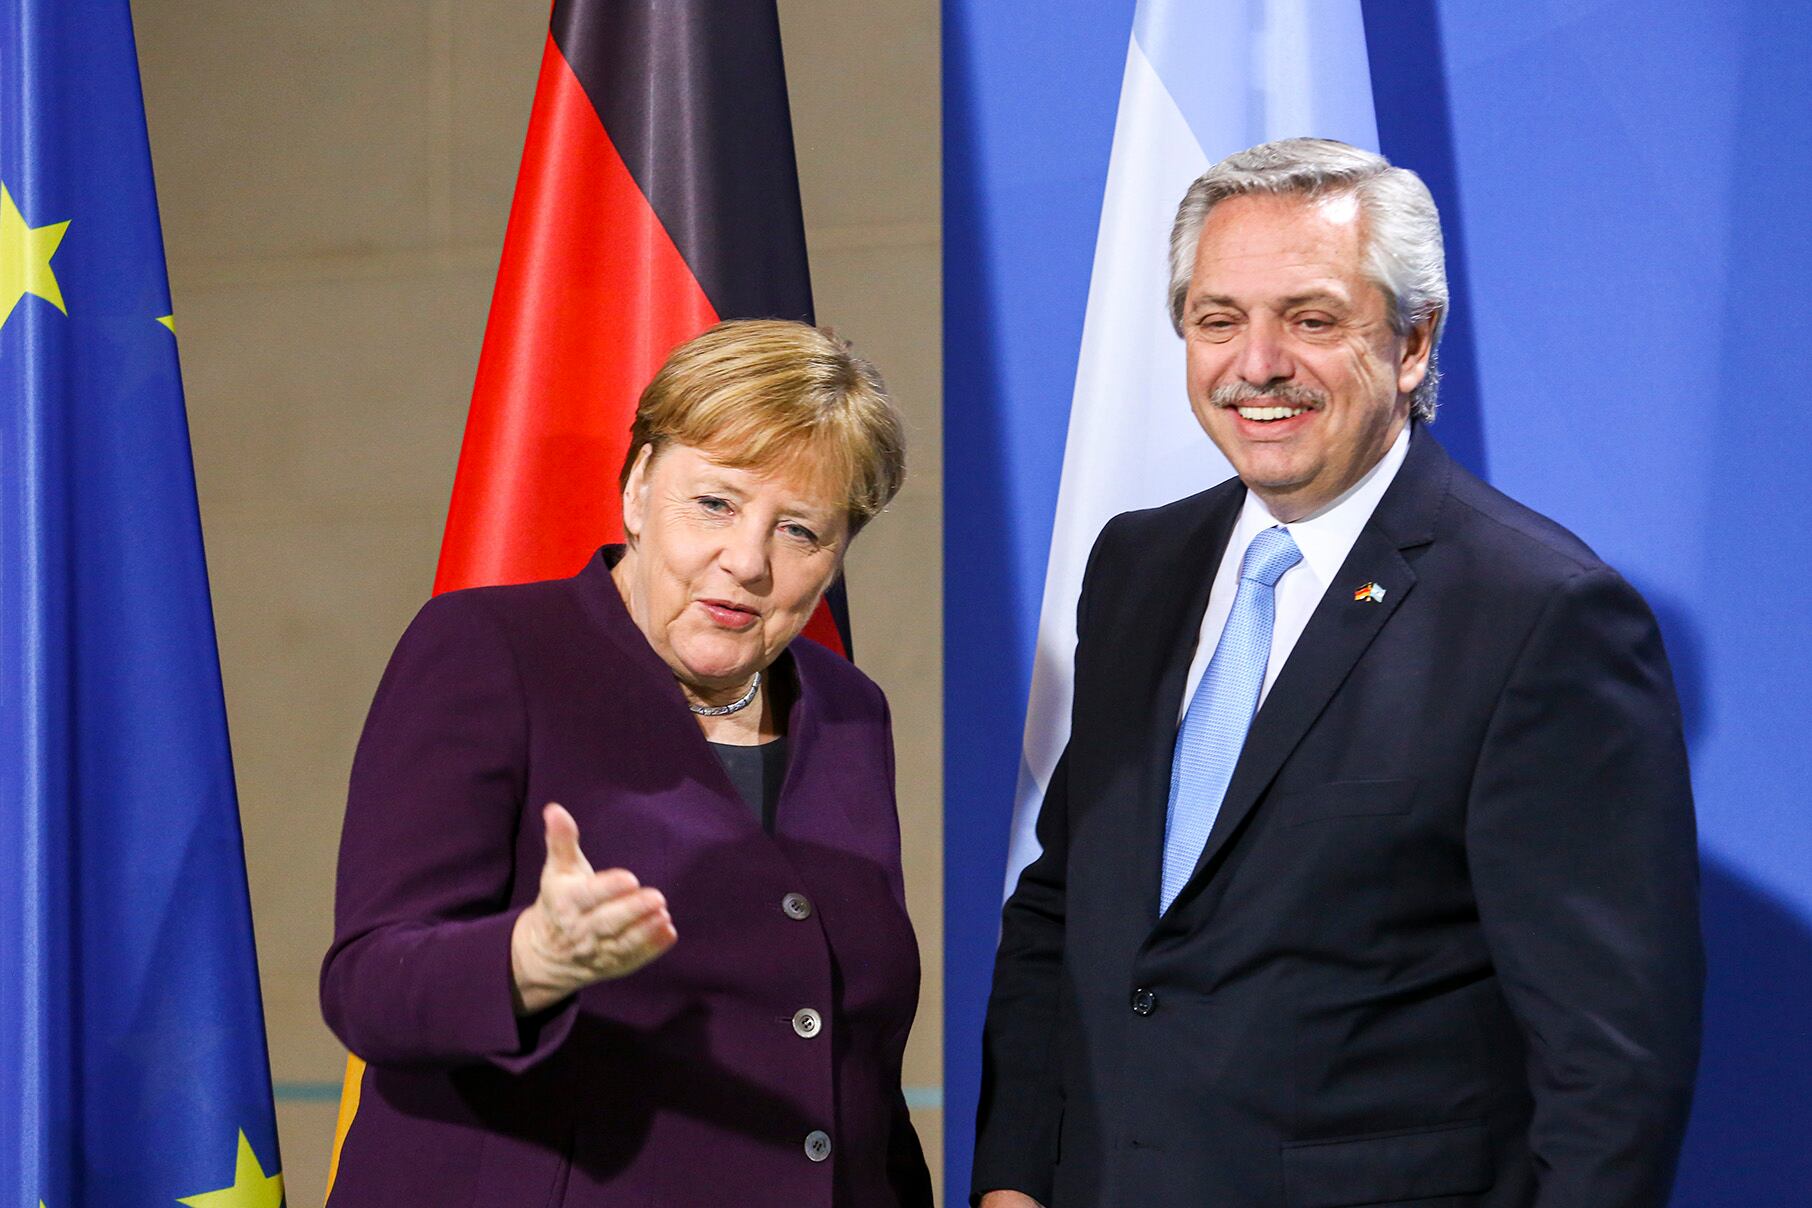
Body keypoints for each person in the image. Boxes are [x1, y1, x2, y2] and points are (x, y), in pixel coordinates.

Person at [972, 139, 1703, 1207]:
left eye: (1311, 320)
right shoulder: (1137, 563)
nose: (1256, 363)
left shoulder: (1539, 612)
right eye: (1218, 319)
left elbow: (1612, 1064)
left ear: (1413, 342)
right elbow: (1064, 905)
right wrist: (1013, 1178)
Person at [321, 319, 933, 1207]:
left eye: (800, 530)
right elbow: (368, 985)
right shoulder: (488, 650)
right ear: (640, 488)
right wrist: (528, 960)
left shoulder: (846, 709)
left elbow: (852, 1055)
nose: (748, 561)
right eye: (715, 503)